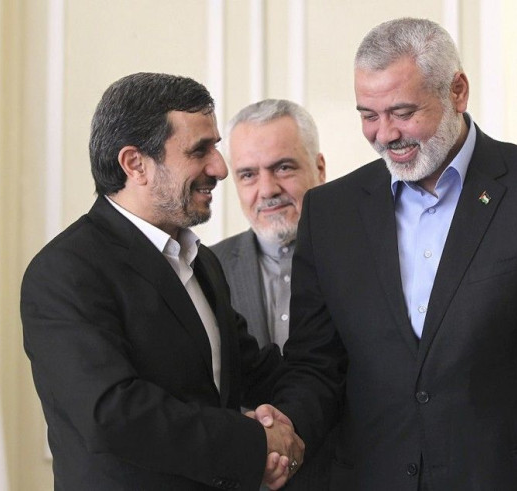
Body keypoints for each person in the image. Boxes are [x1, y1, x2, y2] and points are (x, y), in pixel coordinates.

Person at [253, 17, 517, 490]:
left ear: (458, 91)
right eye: (368, 115)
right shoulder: (331, 212)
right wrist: (282, 428)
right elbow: (318, 365)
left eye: (403, 112)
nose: (385, 134)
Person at [20, 72, 304, 490]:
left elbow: (252, 371)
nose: (220, 168)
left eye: (216, 148)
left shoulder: (201, 261)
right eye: (200, 151)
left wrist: (307, 407)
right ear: (136, 164)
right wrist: (255, 442)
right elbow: (114, 414)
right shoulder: (65, 271)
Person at [211, 99, 331, 490]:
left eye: (283, 167)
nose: (267, 190)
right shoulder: (205, 270)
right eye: (247, 174)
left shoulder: (369, 258)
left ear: (319, 169)